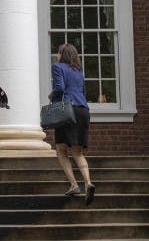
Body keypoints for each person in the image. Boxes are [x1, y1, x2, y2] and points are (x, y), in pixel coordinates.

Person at [50, 42, 96, 205]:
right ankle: (88, 183)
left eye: (58, 52)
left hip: (67, 110)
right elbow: (83, 92)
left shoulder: (58, 67)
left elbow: (60, 88)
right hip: (83, 110)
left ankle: (74, 184)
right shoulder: (79, 72)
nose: (57, 55)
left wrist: (52, 96)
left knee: (61, 150)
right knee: (78, 152)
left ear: (62, 54)